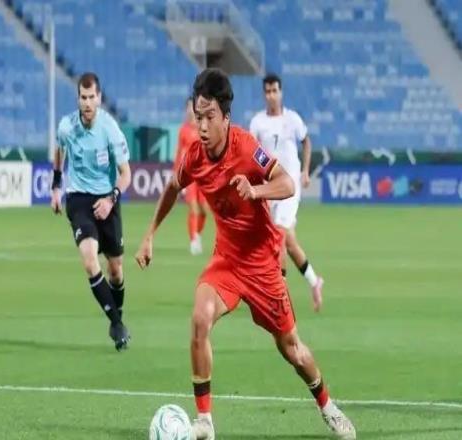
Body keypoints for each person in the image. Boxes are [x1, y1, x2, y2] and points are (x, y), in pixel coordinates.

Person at [135, 68, 356, 440]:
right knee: (200, 319)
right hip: (227, 260)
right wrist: (149, 235)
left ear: (225, 117)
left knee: (292, 349)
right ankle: (204, 421)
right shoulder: (194, 156)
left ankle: (328, 407)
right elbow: (173, 186)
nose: (202, 126)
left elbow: (286, 183)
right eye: (197, 116)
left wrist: (256, 191)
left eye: (209, 117)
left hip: (262, 264)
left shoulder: (246, 147)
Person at [51, 72, 131, 351]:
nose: (86, 103)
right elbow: (59, 150)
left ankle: (117, 317)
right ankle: (117, 324)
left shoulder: (110, 129)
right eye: (82, 98)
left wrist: (111, 199)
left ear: (99, 98)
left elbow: (126, 173)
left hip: (107, 197)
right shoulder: (66, 127)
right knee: (89, 260)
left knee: (116, 270)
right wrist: (56, 186)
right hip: (79, 200)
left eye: (91, 97)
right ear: (78, 99)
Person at [250, 73, 324, 312]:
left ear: (281, 93)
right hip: (270, 188)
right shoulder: (258, 122)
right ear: (264, 94)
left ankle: (277, 296)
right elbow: (254, 153)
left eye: (275, 91)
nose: (271, 96)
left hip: (290, 188)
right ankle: (314, 281)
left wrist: (305, 171)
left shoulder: (292, 119)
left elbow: (306, 141)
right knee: (289, 242)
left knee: (278, 237)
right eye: (268, 92)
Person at [174, 97, 207, 255]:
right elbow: (179, 153)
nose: (190, 110)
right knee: (193, 207)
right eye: (187, 107)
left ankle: (197, 234)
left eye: (192, 107)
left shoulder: (204, 127)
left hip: (204, 175)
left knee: (204, 210)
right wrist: (177, 175)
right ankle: (193, 240)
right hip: (189, 175)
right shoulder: (183, 130)